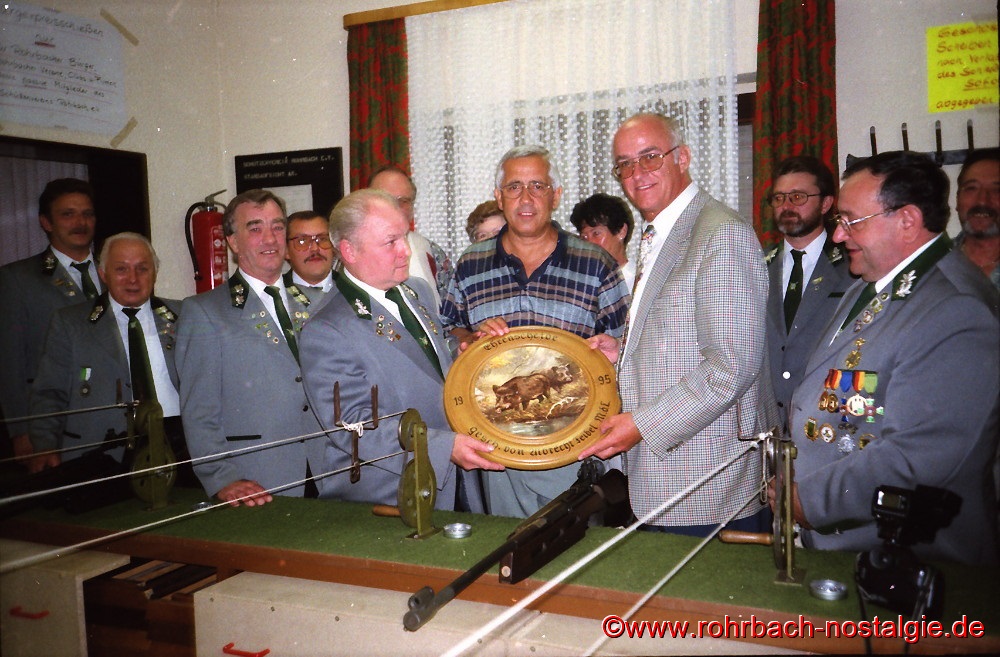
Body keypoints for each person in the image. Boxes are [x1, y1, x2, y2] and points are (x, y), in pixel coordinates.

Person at [784, 150, 999, 565]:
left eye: (850, 221)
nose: (838, 236)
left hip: (907, 561)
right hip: (849, 547)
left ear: (907, 221)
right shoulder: (874, 284)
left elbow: (918, 457)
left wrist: (809, 499)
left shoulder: (957, 309)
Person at [582, 113, 775, 536]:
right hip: (666, 481)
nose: (637, 173)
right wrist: (622, 351)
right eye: (625, 164)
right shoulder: (663, 233)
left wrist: (642, 425)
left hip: (705, 486)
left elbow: (731, 367)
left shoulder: (720, 234)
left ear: (682, 157)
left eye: (650, 157)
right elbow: (683, 330)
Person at [441, 144, 631, 518]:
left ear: (555, 195)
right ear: (498, 197)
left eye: (537, 186)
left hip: (577, 450)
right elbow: (449, 331)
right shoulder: (469, 264)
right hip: (497, 452)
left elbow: (630, 347)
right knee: (508, 557)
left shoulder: (596, 264)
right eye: (513, 187)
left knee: (580, 563)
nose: (525, 198)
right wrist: (470, 340)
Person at [299, 189, 500, 510]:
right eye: (390, 242)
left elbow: (428, 359)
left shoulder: (413, 291)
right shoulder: (327, 329)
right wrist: (443, 447)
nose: (405, 251)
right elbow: (353, 428)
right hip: (392, 496)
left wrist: (471, 348)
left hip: (455, 481)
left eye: (404, 237)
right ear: (349, 251)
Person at [175, 189, 325, 507]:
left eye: (277, 226)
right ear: (232, 241)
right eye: (255, 228)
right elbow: (199, 410)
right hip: (257, 478)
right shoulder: (205, 312)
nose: (269, 239)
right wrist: (221, 477)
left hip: (327, 469)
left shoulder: (316, 302)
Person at [26, 232, 182, 473]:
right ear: (103, 274)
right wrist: (45, 446)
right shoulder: (71, 324)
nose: (133, 279)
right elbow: (49, 393)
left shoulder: (185, 315)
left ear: (154, 273)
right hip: (100, 455)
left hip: (178, 449)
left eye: (142, 269)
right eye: (121, 269)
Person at [0, 179, 103, 462]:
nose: (80, 222)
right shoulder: (17, 279)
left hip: (112, 418)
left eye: (87, 213)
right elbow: (10, 363)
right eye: (67, 214)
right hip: (53, 423)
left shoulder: (117, 272)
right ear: (46, 222)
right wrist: (21, 431)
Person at [764, 155, 852, 428]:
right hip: (767, 429)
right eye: (779, 198)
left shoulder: (852, 267)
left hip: (827, 419)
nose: (787, 206)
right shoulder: (756, 267)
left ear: (826, 203)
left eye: (798, 197)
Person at [369, 165, 453, 307]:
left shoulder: (432, 252)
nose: (394, 207)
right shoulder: (350, 253)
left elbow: (451, 315)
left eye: (403, 201)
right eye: (385, 198)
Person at [953, 147, 999, 290]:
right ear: (957, 200)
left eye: (997, 190)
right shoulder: (934, 265)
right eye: (972, 188)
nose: (982, 201)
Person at [570, 193, 636, 289]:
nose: (589, 243)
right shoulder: (580, 285)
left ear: (621, 232)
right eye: (584, 237)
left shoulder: (640, 280)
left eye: (596, 234)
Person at [283, 210, 336, 303]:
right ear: (286, 250)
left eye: (322, 239)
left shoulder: (354, 289)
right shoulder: (272, 296)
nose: (315, 248)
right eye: (302, 241)